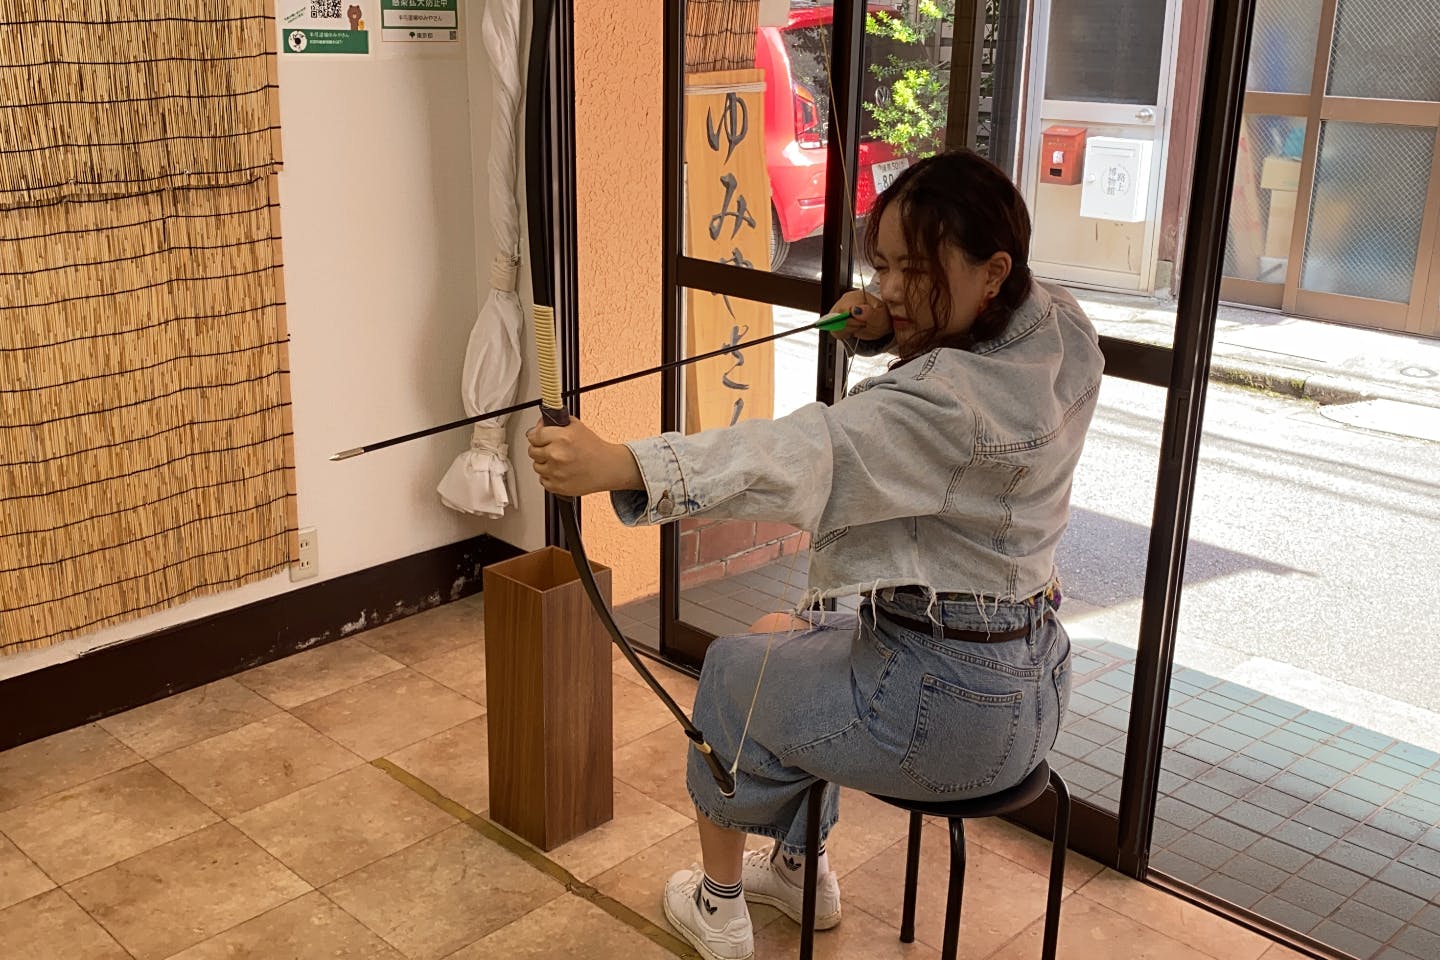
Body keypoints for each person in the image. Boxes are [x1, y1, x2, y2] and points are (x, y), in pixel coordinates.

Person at [527, 149, 1104, 960]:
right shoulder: (1061, 328)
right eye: (884, 267)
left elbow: (805, 449)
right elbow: (967, 353)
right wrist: (887, 326)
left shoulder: (942, 403)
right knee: (781, 633)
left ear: (994, 272)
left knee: (731, 672)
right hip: (1036, 687)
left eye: (916, 270)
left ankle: (720, 907)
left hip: (945, 714)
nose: (891, 289)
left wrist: (620, 464)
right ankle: (800, 869)